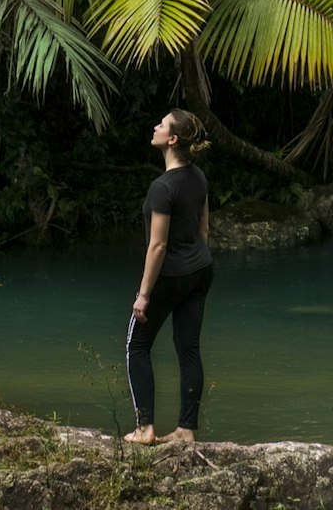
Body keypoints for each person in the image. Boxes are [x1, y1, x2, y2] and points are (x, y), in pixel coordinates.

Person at [123, 108, 214, 445]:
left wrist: (144, 295)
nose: (155, 126)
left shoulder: (162, 187)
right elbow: (204, 230)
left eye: (161, 124)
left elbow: (157, 246)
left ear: (172, 139)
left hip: (171, 273)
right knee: (188, 349)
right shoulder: (198, 177)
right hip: (200, 270)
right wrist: (194, 263)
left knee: (137, 345)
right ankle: (186, 430)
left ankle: (145, 429)